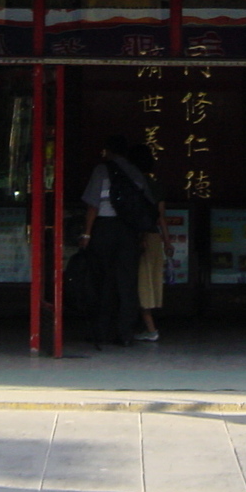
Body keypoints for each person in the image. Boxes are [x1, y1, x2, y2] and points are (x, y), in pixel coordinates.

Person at [78, 135, 151, 348]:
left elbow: (93, 205)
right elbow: (145, 208)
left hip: (104, 229)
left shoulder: (102, 170)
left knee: (102, 280)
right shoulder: (136, 172)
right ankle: (125, 333)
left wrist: (87, 234)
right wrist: (142, 236)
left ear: (108, 151)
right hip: (129, 232)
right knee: (127, 283)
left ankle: (101, 331)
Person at [127, 146, 167, 343]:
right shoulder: (155, 185)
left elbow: (138, 215)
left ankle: (151, 329)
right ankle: (148, 326)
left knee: (142, 285)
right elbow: (161, 217)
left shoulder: (135, 184)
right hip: (155, 238)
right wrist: (167, 241)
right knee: (151, 282)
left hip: (142, 238)